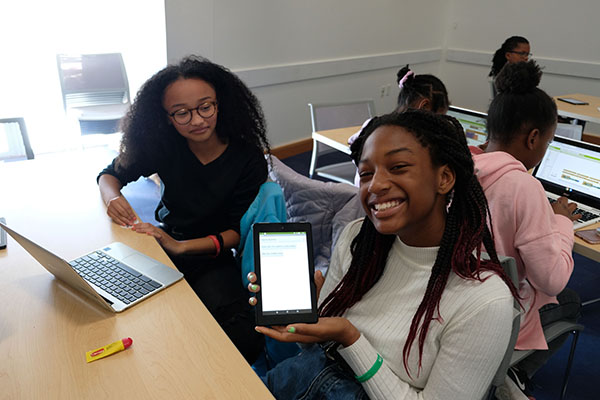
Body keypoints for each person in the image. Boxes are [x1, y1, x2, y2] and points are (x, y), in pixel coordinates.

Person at [249, 110, 518, 399]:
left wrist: (350, 337)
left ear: (445, 178)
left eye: (398, 167)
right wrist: (308, 317)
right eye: (366, 173)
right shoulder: (357, 239)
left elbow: (344, 340)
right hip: (304, 379)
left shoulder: (483, 300)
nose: (375, 185)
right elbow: (317, 353)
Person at [97, 55, 270, 364]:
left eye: (206, 107)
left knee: (246, 337)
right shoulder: (165, 146)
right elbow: (110, 174)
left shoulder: (248, 159)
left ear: (220, 103)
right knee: (122, 310)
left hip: (211, 254)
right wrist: (112, 198)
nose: (197, 120)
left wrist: (180, 247)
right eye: (182, 113)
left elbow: (235, 231)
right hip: (163, 242)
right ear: (166, 117)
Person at [473, 60, 581, 395]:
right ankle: (512, 374)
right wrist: (561, 221)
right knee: (571, 299)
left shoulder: (462, 165)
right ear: (533, 138)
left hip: (457, 297)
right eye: (548, 142)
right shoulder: (523, 186)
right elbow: (552, 278)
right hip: (498, 316)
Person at [348, 64, 450, 185]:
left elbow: (352, 142)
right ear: (424, 107)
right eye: (440, 117)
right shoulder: (415, 139)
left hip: (362, 191)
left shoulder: (372, 124)